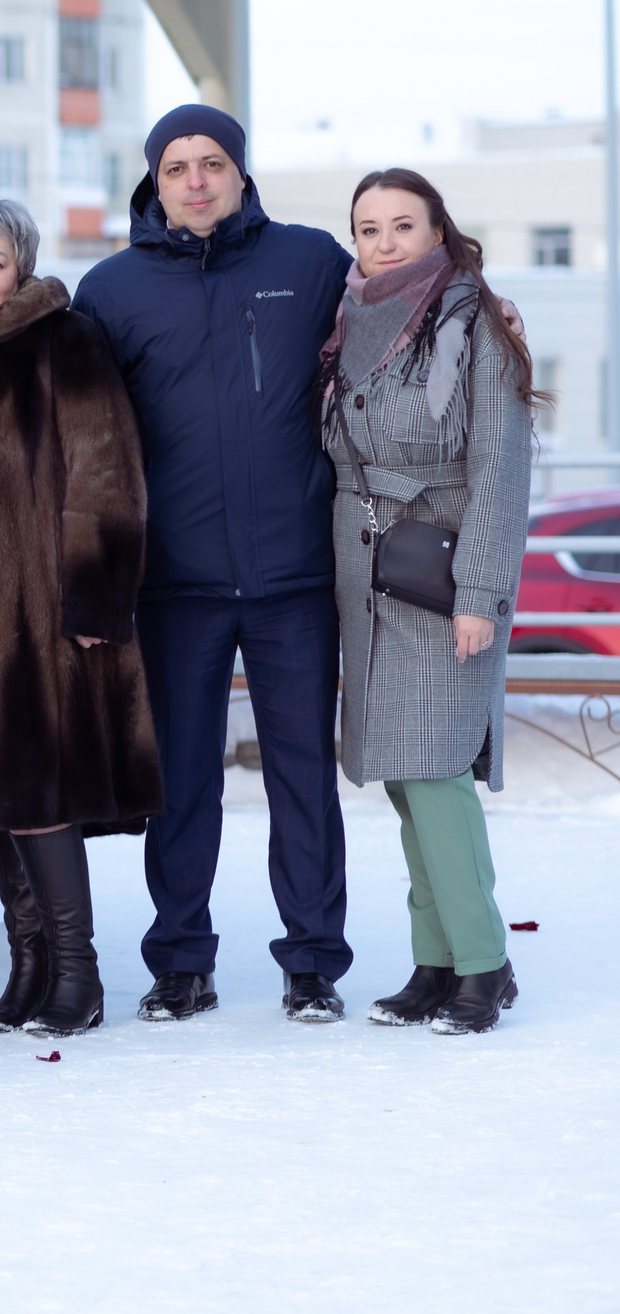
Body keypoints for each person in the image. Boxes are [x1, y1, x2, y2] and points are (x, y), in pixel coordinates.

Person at [72, 105, 357, 1024]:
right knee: (182, 779)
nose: (196, 181)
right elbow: (77, 427)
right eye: (177, 167)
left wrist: (486, 298)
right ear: (154, 181)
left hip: (295, 575)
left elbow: (400, 306)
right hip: (175, 579)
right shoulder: (111, 290)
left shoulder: (310, 263)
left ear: (241, 172)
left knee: (302, 775)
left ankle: (312, 961)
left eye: (213, 163)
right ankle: (180, 961)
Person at [0, 194, 163, 1039]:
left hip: (43, 613)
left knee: (42, 788)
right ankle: (27, 969)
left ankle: (77, 975)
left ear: (21, 266)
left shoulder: (64, 341)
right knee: (2, 795)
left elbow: (107, 473)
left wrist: (95, 596)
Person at [320, 171, 532, 1036]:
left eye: (403, 224)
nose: (385, 243)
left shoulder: (473, 319)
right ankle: (433, 961)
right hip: (366, 574)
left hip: (444, 575)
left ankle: (483, 966)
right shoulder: (345, 320)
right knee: (408, 780)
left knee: (440, 776)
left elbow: (501, 468)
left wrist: (481, 593)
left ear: (439, 228)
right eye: (368, 228)